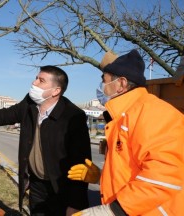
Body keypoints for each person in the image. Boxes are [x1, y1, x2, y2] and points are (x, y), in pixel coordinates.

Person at [0, 65, 91, 215]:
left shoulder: (73, 116)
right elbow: (3, 115)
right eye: (36, 78)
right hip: (36, 184)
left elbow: (82, 164)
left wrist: (75, 204)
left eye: (41, 80)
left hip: (61, 188)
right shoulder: (29, 104)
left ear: (56, 91)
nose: (34, 83)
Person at [69, 50, 184, 215]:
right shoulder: (124, 116)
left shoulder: (153, 112)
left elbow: (164, 178)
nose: (101, 86)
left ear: (121, 83)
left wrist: (114, 210)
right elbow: (133, 169)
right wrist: (101, 176)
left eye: (104, 80)